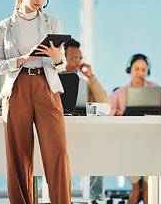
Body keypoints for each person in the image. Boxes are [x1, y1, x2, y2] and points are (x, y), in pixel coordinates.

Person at [0, 0, 71, 204]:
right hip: (17, 90)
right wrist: (21, 59)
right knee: (18, 156)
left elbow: (61, 64)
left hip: (46, 87)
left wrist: (57, 57)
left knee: (57, 153)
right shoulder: (3, 27)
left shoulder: (52, 22)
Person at [109, 53, 161, 204]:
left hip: (151, 136)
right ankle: (135, 188)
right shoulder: (120, 92)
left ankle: (147, 188)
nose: (140, 72)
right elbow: (107, 111)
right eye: (137, 69)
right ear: (130, 70)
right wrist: (123, 113)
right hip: (129, 136)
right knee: (131, 147)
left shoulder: (156, 90)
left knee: (153, 150)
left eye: (144, 69)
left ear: (148, 71)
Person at [63, 38, 110, 204]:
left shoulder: (85, 83)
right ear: (63, 57)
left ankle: (95, 198)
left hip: (83, 132)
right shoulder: (53, 80)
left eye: (80, 59)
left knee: (99, 148)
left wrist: (91, 77)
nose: (77, 62)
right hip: (60, 131)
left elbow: (105, 103)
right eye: (73, 58)